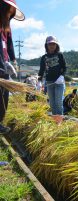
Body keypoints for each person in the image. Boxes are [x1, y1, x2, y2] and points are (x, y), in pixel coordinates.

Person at [0, 0, 25, 133]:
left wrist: (13, 60)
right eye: (10, 12)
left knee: (4, 96)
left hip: (4, 66)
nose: (10, 16)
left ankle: (0, 122)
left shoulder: (6, 28)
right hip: (1, 65)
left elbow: (9, 44)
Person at [38, 36, 67, 115]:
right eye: (50, 44)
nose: (51, 46)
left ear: (56, 45)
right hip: (49, 83)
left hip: (59, 82)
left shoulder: (59, 55)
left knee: (58, 103)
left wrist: (62, 76)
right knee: (52, 104)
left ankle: (59, 120)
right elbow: (41, 70)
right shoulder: (44, 57)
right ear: (46, 45)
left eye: (53, 44)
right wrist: (39, 81)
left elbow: (64, 67)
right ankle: (55, 120)